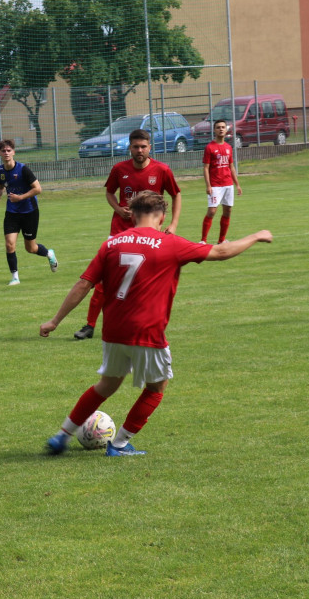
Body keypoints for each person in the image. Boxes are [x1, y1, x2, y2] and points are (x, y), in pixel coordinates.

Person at [41, 190, 272, 456]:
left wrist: (55, 321)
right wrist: (255, 236)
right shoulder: (169, 243)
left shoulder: (112, 244)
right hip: (147, 331)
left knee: (106, 385)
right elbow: (220, 252)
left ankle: (61, 436)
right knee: (157, 387)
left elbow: (84, 284)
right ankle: (119, 445)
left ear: (133, 216)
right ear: (161, 217)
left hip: (114, 330)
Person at [73, 129, 182, 340]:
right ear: (129, 148)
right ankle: (89, 325)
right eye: (135, 146)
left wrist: (173, 224)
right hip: (120, 231)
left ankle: (145, 323)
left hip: (149, 233)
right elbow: (109, 192)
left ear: (150, 147)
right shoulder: (119, 169)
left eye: (143, 146)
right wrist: (117, 208)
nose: (139, 150)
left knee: (146, 280)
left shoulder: (162, 170)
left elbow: (176, 195)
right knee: (104, 280)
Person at [0, 139, 58, 285]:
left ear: (13, 152)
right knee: (9, 244)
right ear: (0, 153)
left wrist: (20, 197)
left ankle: (49, 253)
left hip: (29, 211)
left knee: (31, 248)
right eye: (3, 151)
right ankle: (15, 277)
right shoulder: (0, 171)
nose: (6, 153)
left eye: (9, 150)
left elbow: (38, 189)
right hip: (12, 212)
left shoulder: (23, 169)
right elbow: (0, 187)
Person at [201, 119, 243, 245]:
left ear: (226, 130)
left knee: (228, 211)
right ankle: (203, 240)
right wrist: (208, 185)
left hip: (228, 184)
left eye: (223, 127)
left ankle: (221, 240)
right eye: (218, 127)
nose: (221, 129)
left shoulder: (229, 147)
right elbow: (206, 168)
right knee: (212, 211)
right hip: (215, 185)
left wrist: (237, 184)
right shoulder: (209, 147)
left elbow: (231, 167)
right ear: (214, 130)